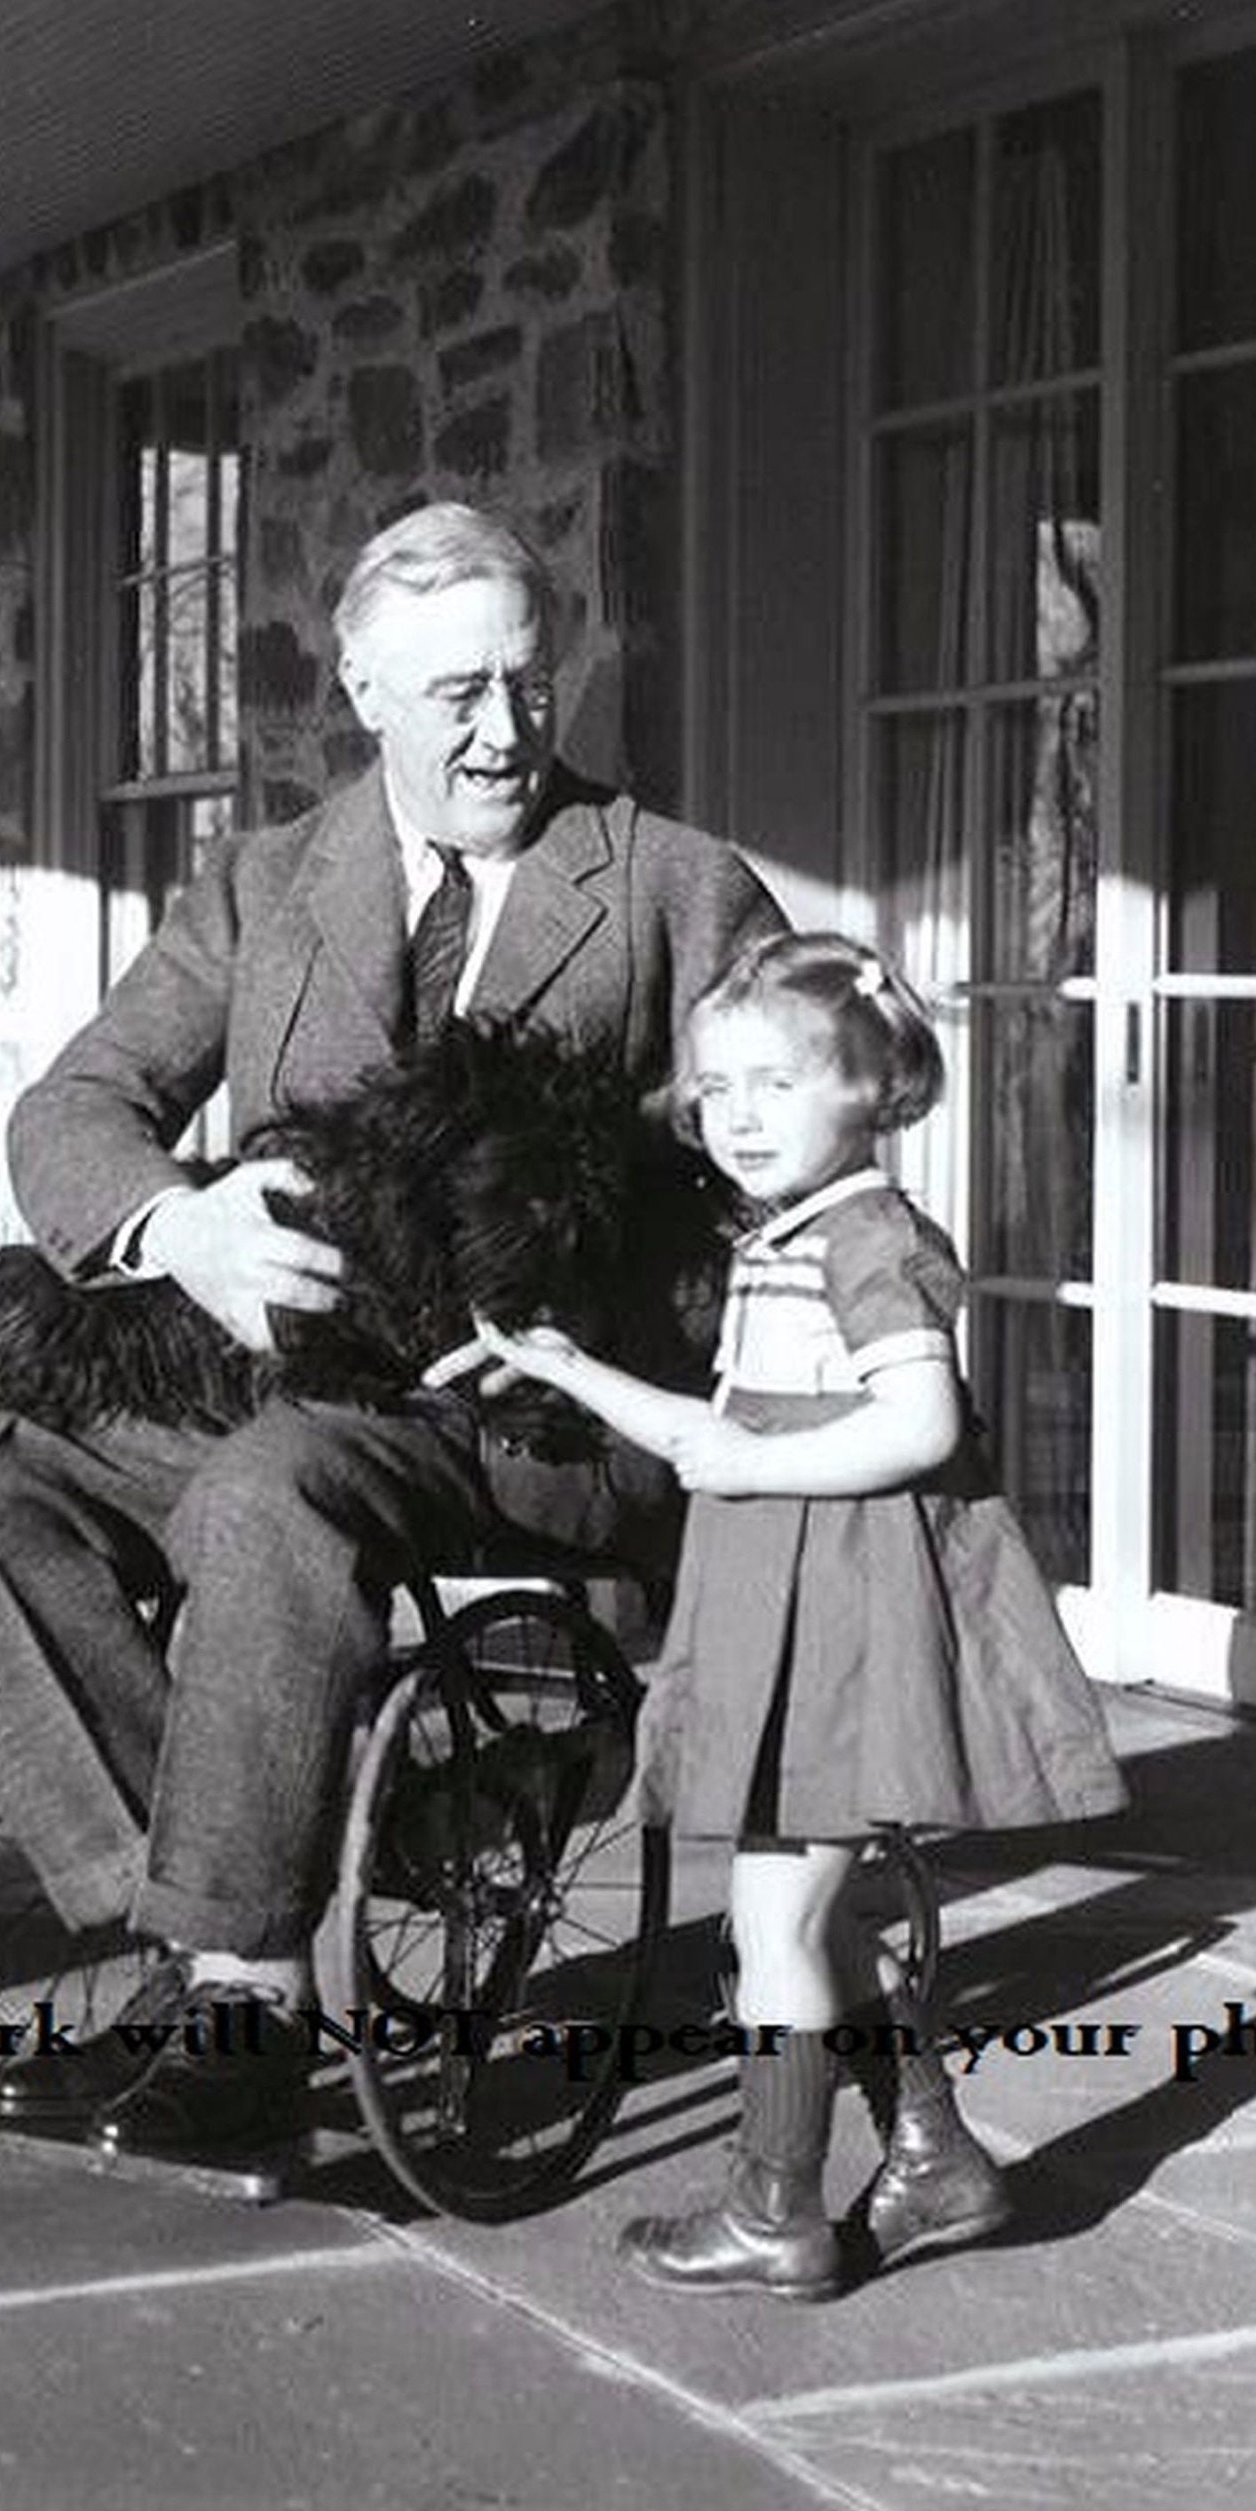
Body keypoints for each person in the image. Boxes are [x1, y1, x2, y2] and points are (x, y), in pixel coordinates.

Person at [0, 500, 780, 2173]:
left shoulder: (673, 889)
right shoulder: (268, 880)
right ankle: (215, 1908)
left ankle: (240, 2008)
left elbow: (779, 1189)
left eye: (524, 682)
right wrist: (176, 1229)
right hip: (281, 1378)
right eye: (453, 697)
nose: (501, 733)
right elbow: (77, 1102)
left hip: (523, 1418)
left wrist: (614, 1337)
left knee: (273, 1491)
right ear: (360, 685)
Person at [473, 930, 1126, 2300]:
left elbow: (918, 1420)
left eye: (776, 1084)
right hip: (785, 1608)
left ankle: (776, 2210)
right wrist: (566, 1368)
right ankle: (932, 2158)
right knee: (812, 1919)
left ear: (871, 1089)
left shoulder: (870, 1238)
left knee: (769, 1925)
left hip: (840, 1623)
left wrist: (756, 1464)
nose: (738, 1116)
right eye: (714, 1090)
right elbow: (716, 1429)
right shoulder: (787, 1238)